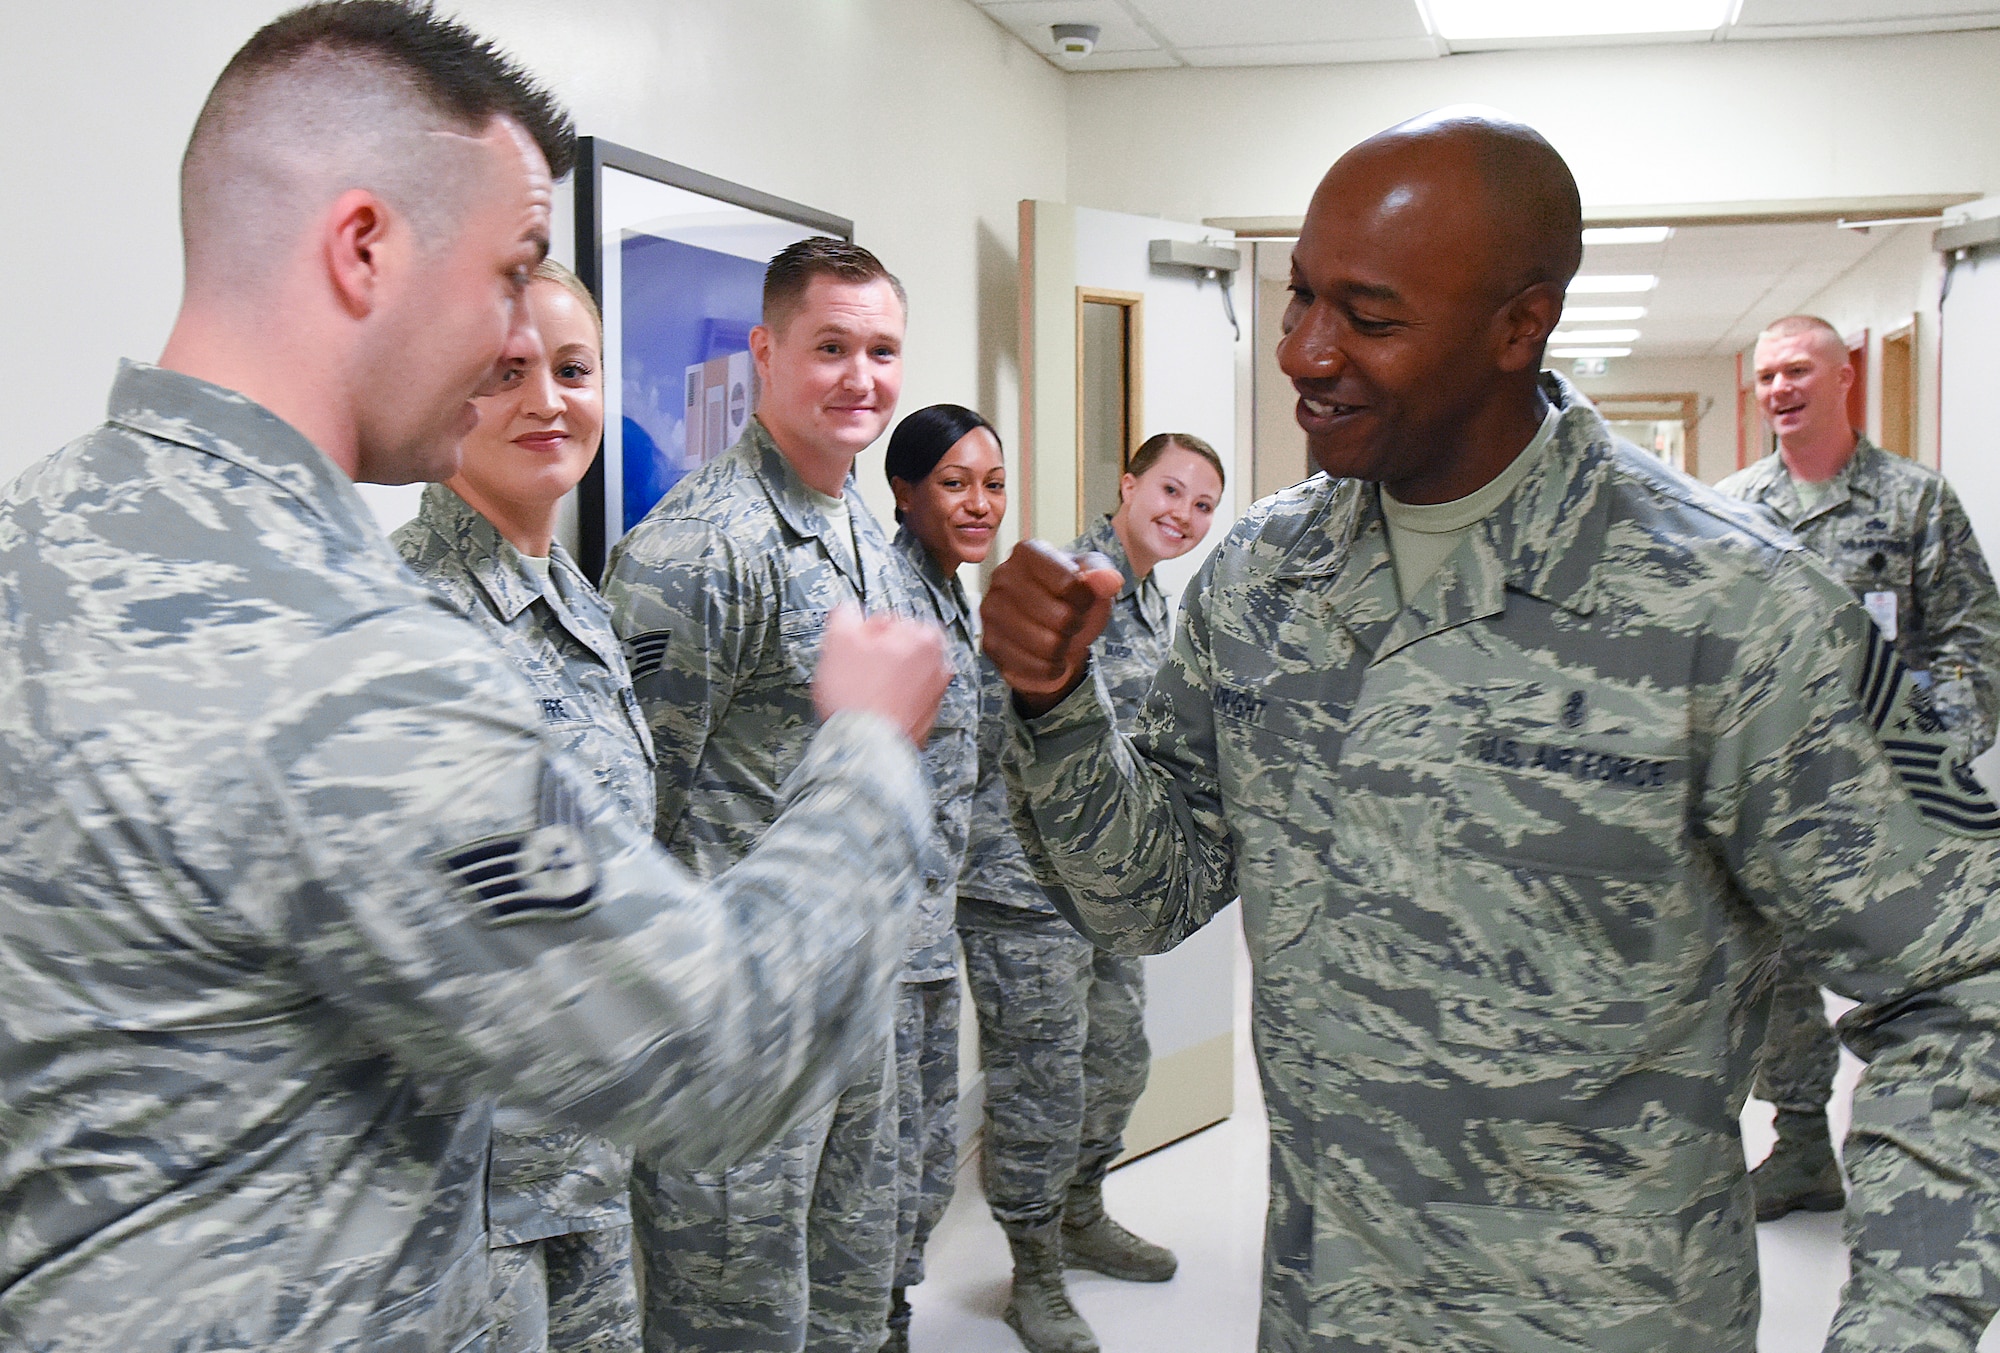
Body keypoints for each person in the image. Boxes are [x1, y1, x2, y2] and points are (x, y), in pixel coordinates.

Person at [0, 6, 951, 1351]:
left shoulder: (39, 533)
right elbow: (722, 1044)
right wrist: (863, 746)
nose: (520, 335)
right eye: (511, 272)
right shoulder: (347, 655)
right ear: (366, 247)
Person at [980, 107, 2000, 1353]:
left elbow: (1959, 985)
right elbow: (1150, 896)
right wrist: (1054, 709)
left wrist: (1908, 1328)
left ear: (1519, 325)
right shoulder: (1262, 577)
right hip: (1324, 1307)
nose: (1302, 352)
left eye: (1368, 317)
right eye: (1299, 298)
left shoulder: (1739, 609)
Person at [604, 237, 942, 1353]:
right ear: (764, 353)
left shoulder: (862, 532)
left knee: (850, 1310)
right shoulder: (697, 552)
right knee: (736, 1329)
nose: (860, 379)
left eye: (880, 351)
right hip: (736, 1028)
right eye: (830, 348)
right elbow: (629, 819)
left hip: (851, 1011)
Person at [393, 259, 651, 1352]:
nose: (549, 400)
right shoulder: (406, 623)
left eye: (574, 368)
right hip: (468, 1198)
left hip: (584, 1155)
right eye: (505, 372)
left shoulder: (574, 602)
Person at [1717, 314, 2000, 1222]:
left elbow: (1975, 640)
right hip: (1781, 784)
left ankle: (1924, 1160)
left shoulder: (1916, 502)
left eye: (1797, 370)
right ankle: (1799, 1145)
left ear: (1846, 378)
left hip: (1904, 795)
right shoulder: (1732, 507)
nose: (1779, 391)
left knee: (1913, 980)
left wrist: (1927, 752)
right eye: (1765, 377)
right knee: (1778, 975)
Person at [957, 432, 1222, 1353]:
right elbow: (1003, 720)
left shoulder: (1153, 605)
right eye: (1171, 490)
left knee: (1117, 1063)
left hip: (1099, 886)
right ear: (1128, 484)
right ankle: (1031, 1271)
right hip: (1022, 884)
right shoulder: (1073, 583)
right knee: (1040, 1085)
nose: (1182, 514)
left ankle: (1079, 1211)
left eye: (1201, 505)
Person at [878, 402, 1006, 1352]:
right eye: (956, 483)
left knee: (921, 1161)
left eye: (993, 483)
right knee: (878, 1171)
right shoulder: (887, 597)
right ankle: (870, 1325)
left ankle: (887, 1318)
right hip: (878, 949)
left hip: (931, 933)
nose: (979, 502)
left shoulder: (948, 592)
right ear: (904, 492)